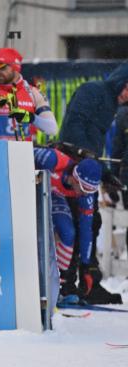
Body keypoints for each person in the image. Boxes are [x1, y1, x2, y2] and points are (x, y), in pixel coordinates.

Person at [59, 63, 128, 304]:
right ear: (121, 82)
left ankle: (89, 282)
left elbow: (94, 143)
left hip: (88, 168)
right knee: (74, 225)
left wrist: (105, 172)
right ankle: (67, 283)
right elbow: (74, 128)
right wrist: (87, 158)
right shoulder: (93, 91)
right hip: (72, 170)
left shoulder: (111, 105)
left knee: (91, 223)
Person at [34, 147, 122, 305]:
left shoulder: (85, 195)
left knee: (68, 232)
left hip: (53, 195)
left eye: (90, 191)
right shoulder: (53, 160)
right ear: (75, 178)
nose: (84, 195)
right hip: (30, 189)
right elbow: (22, 156)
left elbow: (86, 231)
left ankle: (57, 285)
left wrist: (86, 267)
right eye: (83, 189)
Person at [0, 48, 58, 141]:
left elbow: (52, 129)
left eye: (2, 67)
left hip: (23, 153)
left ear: (15, 68)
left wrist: (32, 118)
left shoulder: (34, 93)